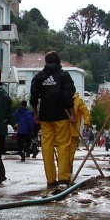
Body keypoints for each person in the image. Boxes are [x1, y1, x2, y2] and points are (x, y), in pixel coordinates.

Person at [30, 51, 76, 187]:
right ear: (59, 61)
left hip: (45, 117)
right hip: (61, 116)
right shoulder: (63, 75)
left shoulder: (39, 77)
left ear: (46, 61)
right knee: (63, 146)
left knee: (47, 147)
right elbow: (68, 97)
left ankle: (50, 179)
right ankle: (63, 177)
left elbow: (33, 97)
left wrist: (35, 114)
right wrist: (72, 115)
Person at [66, 92, 91, 178]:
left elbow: (85, 111)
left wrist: (87, 123)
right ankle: (66, 167)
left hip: (70, 130)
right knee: (66, 151)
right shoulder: (70, 99)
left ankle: (67, 168)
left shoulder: (77, 101)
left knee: (69, 151)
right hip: (64, 130)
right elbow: (85, 111)